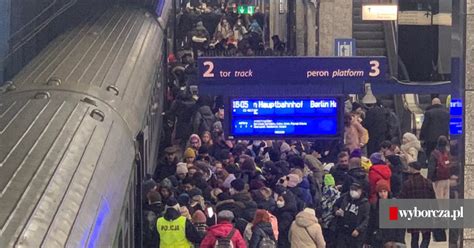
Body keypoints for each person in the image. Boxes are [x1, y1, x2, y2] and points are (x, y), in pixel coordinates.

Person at [399, 162, 436, 248]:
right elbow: (433, 200)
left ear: (412, 168)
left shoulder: (407, 184)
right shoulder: (428, 183)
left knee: (414, 237)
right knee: (426, 236)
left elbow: (402, 199)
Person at [366, 180, 405, 247]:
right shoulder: (374, 206)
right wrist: (368, 240)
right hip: (377, 238)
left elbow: (397, 224)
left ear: (388, 192)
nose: (383, 194)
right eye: (380, 192)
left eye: (385, 191)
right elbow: (371, 223)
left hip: (390, 239)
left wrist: (398, 240)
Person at [334, 182, 370, 248]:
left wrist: (358, 229)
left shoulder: (365, 203)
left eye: (356, 190)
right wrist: (336, 211)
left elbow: (366, 219)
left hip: (355, 233)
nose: (353, 192)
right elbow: (336, 204)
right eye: (352, 189)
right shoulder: (345, 196)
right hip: (342, 230)